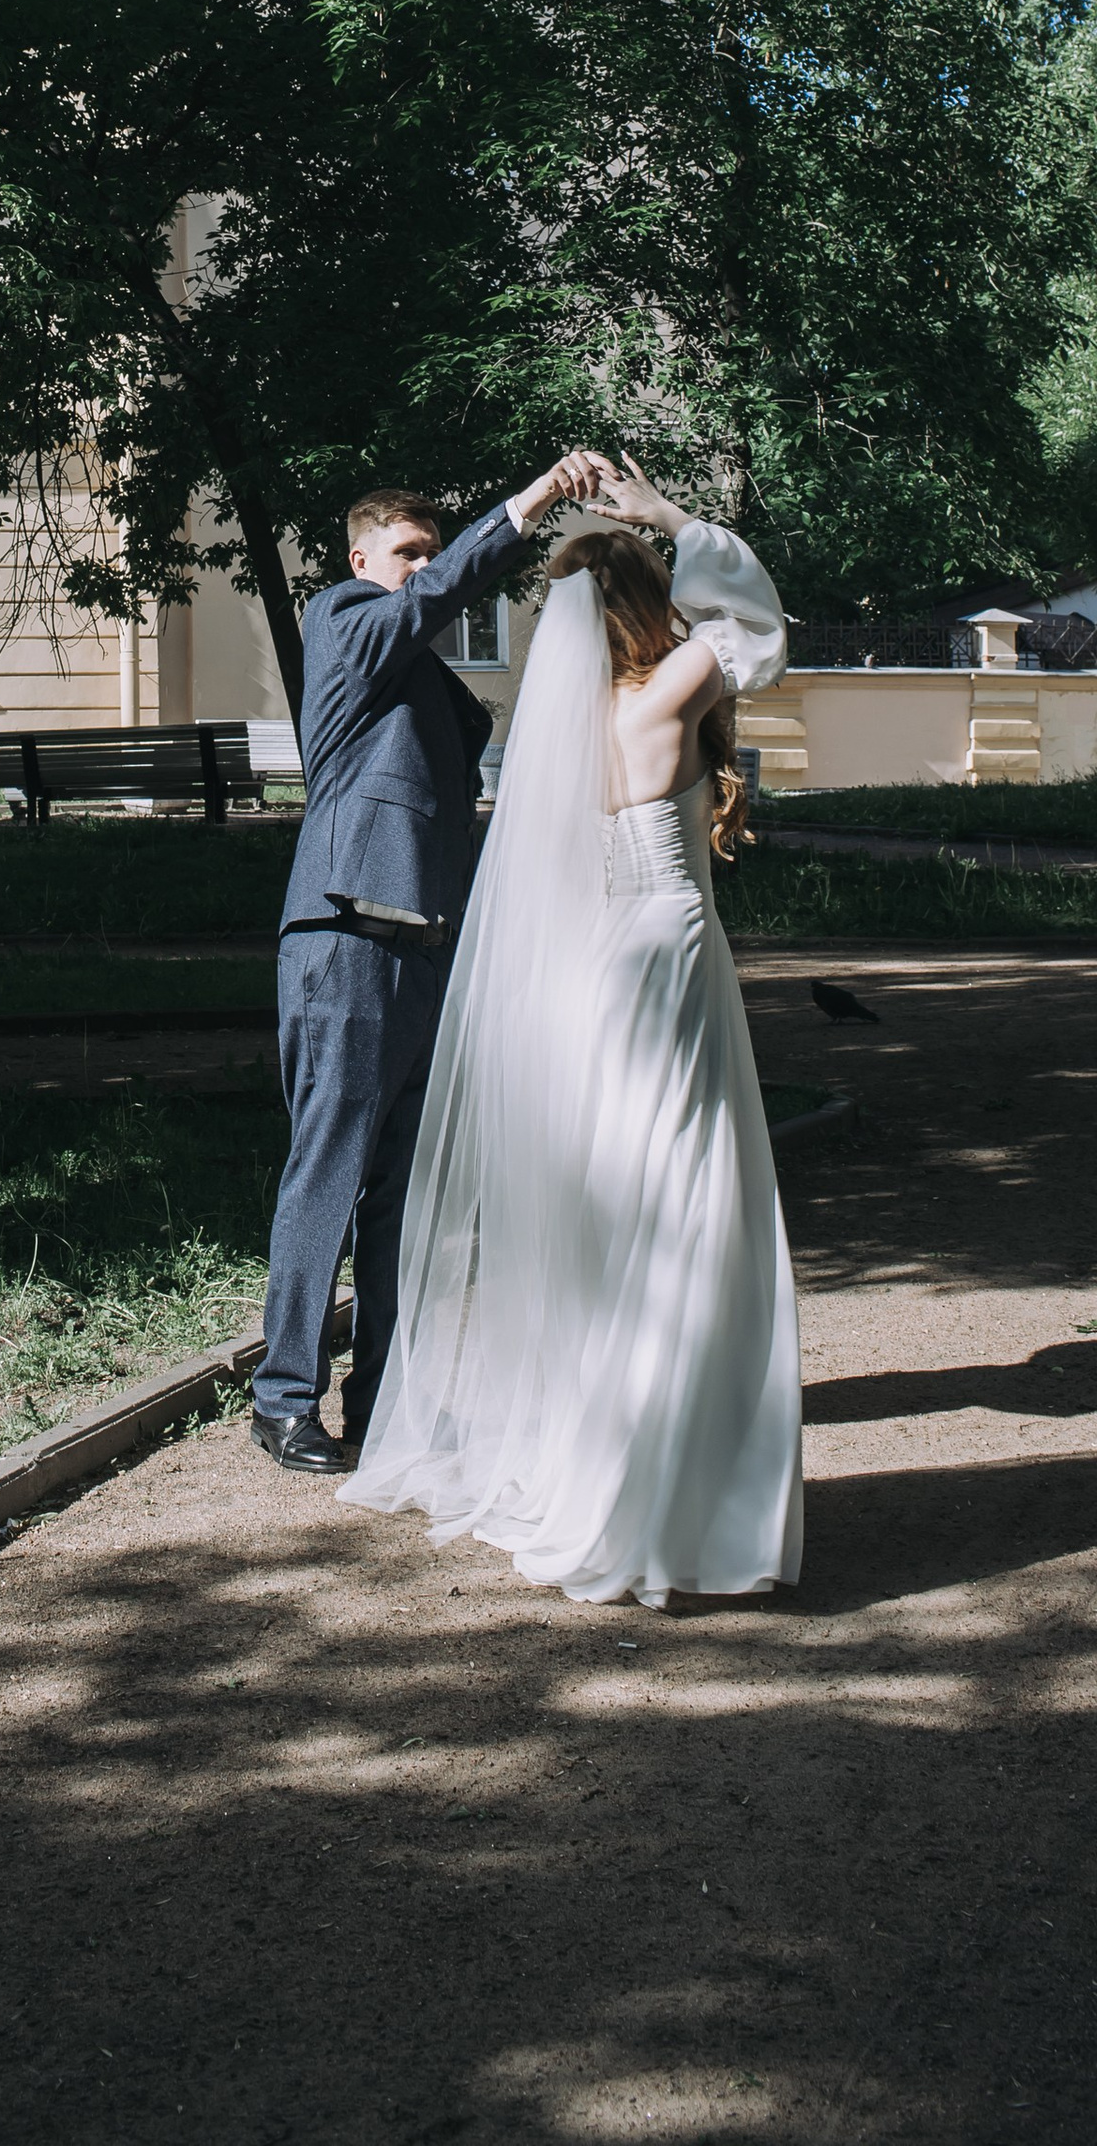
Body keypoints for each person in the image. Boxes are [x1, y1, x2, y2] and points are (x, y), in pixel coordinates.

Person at [348, 456, 804, 1606]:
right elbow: (756, 617)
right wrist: (667, 517)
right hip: (666, 964)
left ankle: (602, 1474)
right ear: (648, 611)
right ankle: (676, 1500)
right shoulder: (663, 701)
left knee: (615, 1230)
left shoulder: (554, 742)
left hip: (588, 984)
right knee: (689, 1216)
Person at [250, 450, 609, 1470]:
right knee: (327, 1172)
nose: (421, 568)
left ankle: (386, 1401)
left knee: (404, 1196)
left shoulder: (423, 677)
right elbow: (437, 595)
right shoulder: (343, 622)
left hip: (429, 948)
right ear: (361, 557)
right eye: (405, 553)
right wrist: (536, 499)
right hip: (345, 938)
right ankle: (282, 1398)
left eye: (428, 553)